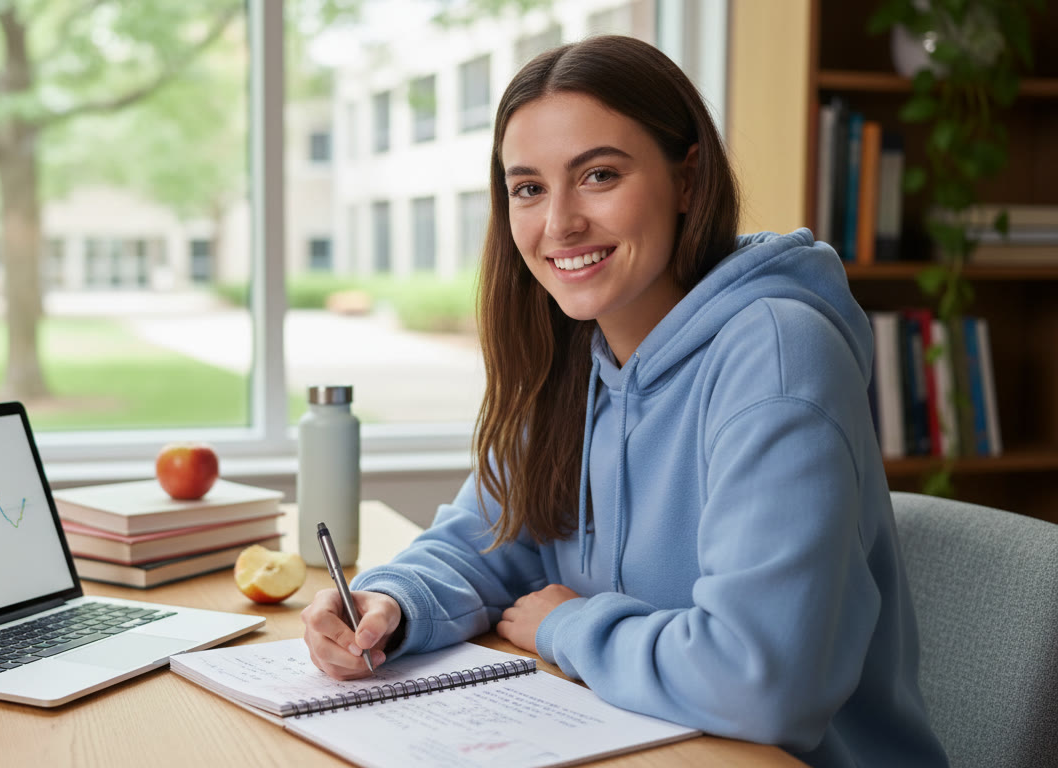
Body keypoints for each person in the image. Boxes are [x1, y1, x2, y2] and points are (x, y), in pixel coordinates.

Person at [300, 34, 947, 767]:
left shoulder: (775, 354)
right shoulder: (575, 352)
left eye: (599, 175)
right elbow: (489, 540)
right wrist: (389, 606)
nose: (560, 224)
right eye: (529, 188)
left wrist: (568, 627)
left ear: (689, 180)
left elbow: (760, 682)